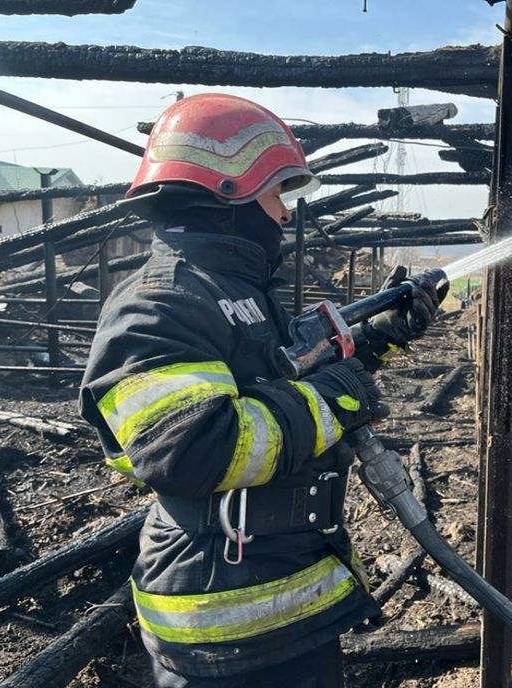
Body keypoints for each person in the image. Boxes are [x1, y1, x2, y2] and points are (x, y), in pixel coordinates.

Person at [79, 93, 446, 687]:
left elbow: (279, 380)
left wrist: (374, 341)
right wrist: (341, 395)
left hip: (281, 601)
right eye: (277, 194)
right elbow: (197, 449)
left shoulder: (236, 293)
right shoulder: (159, 302)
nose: (282, 214)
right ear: (229, 190)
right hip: (225, 629)